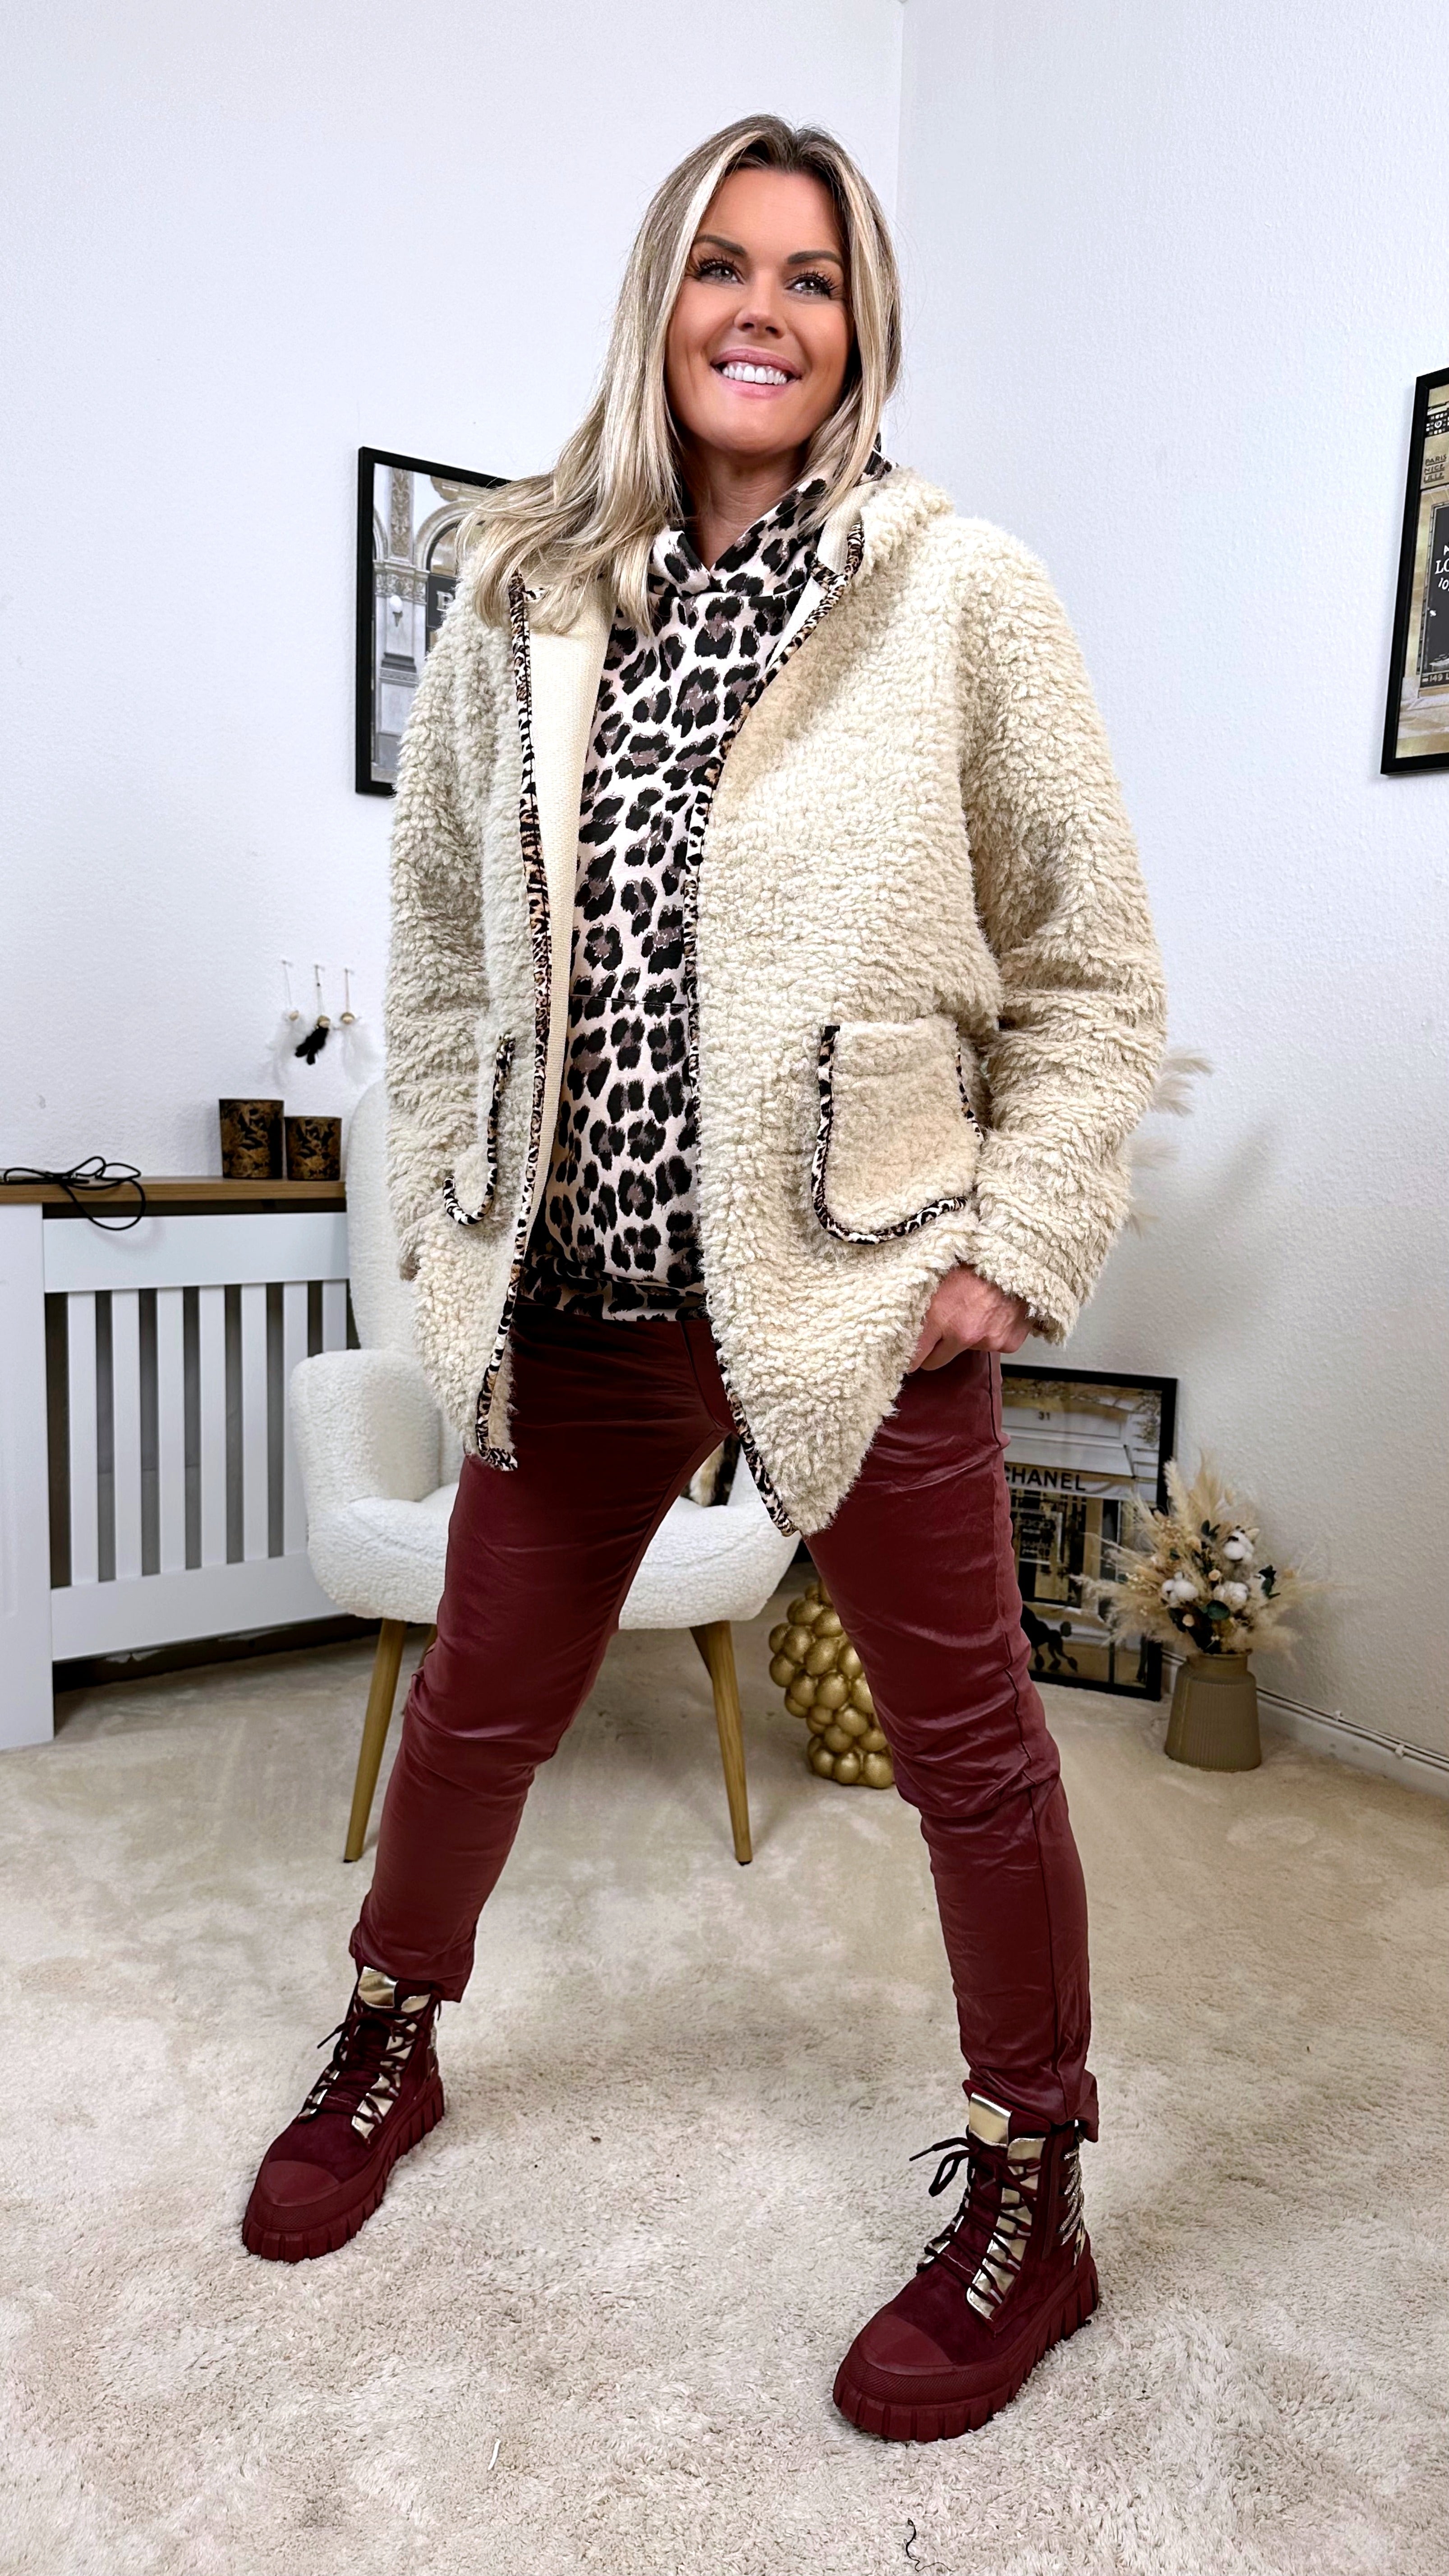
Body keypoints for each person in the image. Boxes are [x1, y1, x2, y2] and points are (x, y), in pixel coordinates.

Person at [243, 115, 1165, 2445]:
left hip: (857, 1280)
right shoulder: (520, 600)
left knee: (971, 1755)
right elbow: (441, 951)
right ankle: (392, 2032)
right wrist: (447, 1222)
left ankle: (1035, 2181)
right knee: (477, 1710)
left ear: (864, 328)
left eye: (814, 276)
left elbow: (1090, 965)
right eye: (723, 266)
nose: (766, 310)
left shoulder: (958, 593)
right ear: (659, 301)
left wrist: (1011, 1248)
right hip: (574, 1288)